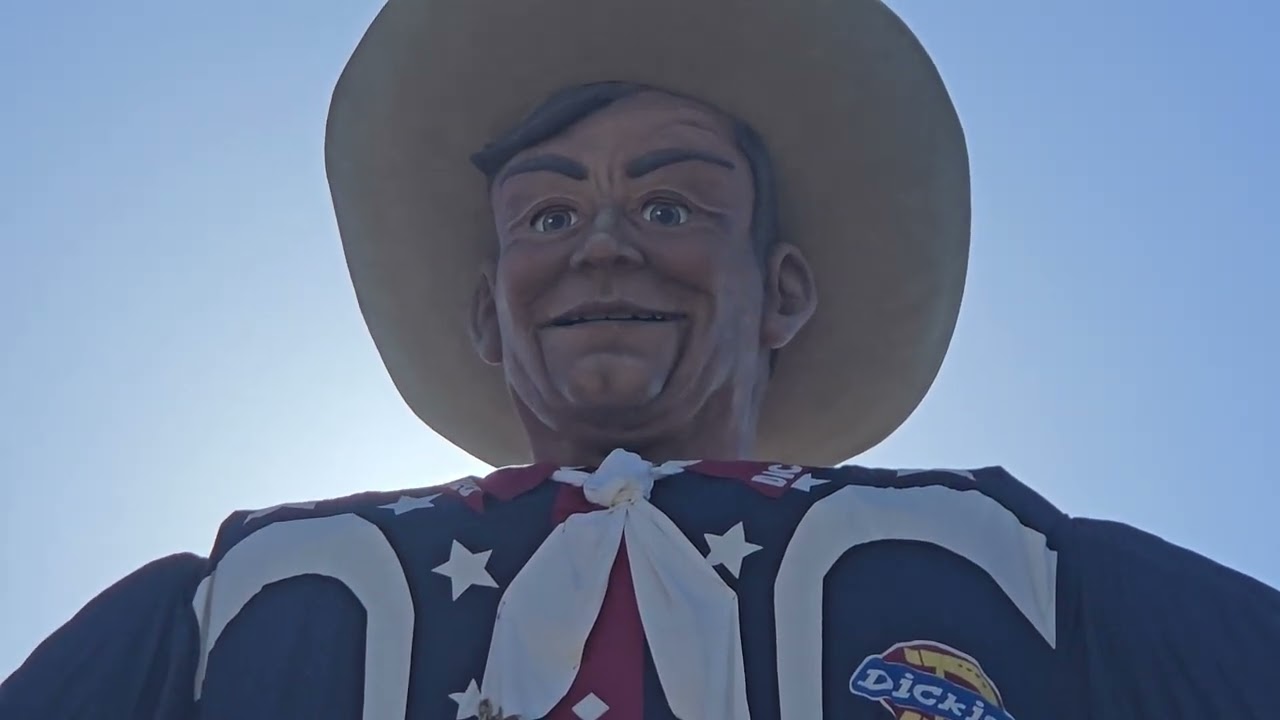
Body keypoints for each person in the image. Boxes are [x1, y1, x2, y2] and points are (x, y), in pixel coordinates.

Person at [3, 0, 1278, 718]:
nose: (601, 249)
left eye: (668, 208)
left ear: (779, 291)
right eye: (547, 218)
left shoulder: (1019, 572)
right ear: (488, 315)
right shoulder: (237, 606)